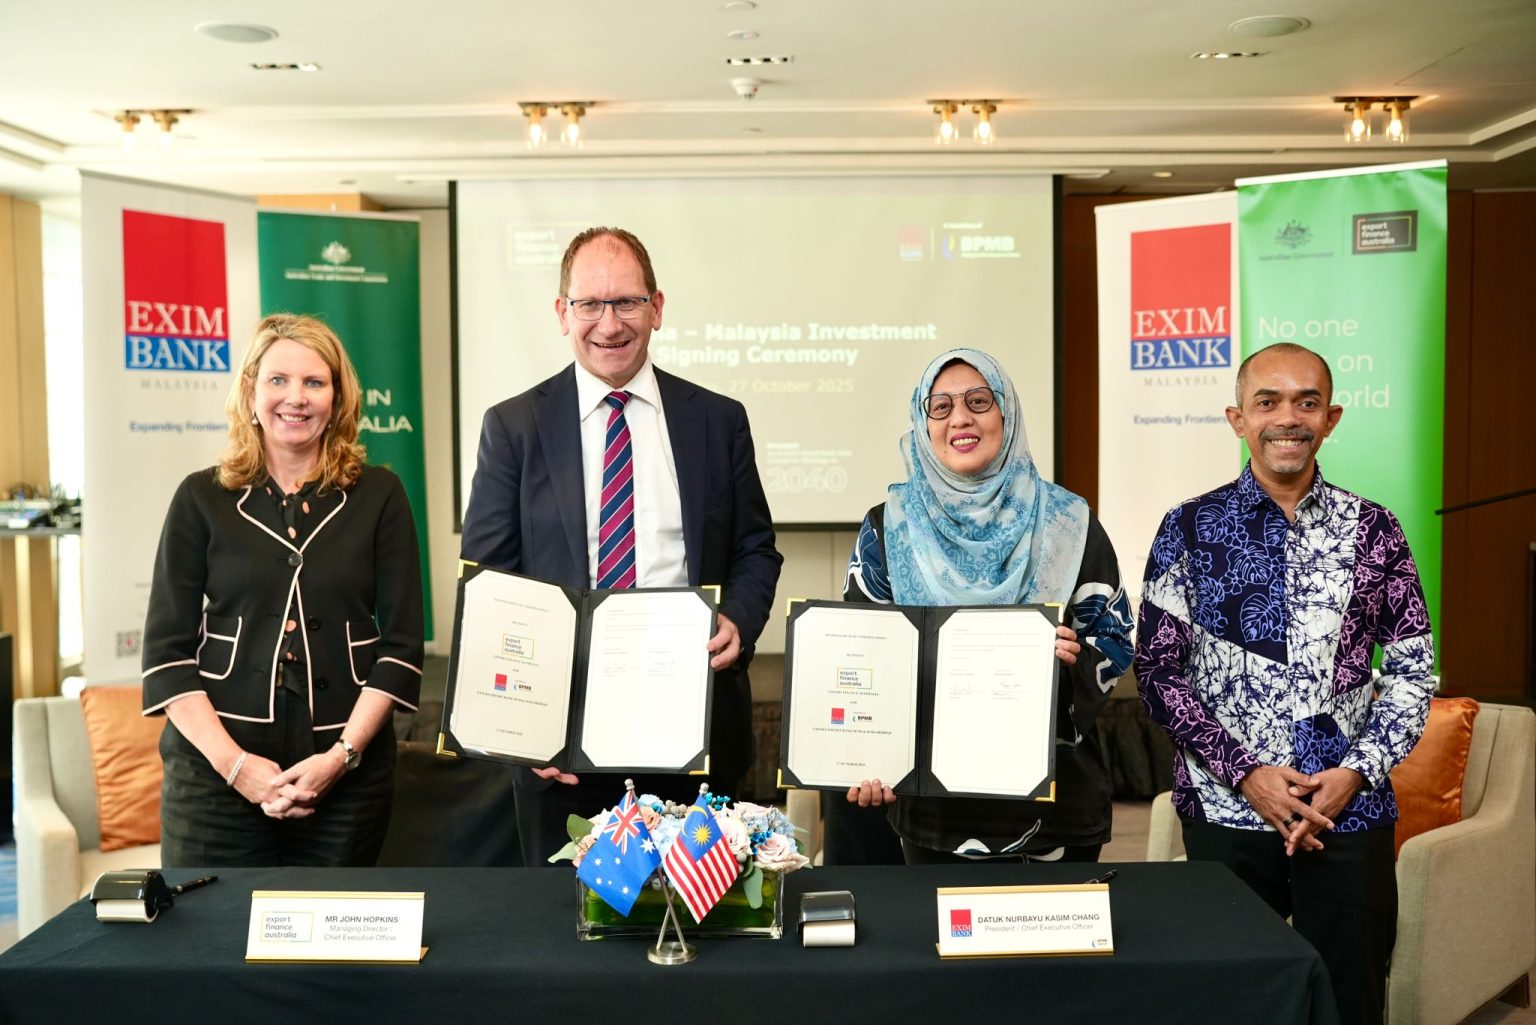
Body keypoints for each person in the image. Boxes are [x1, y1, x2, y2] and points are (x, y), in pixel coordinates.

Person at [460, 226, 782, 865]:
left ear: (657, 308)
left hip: (695, 725)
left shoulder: (718, 420)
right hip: (563, 741)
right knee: (563, 940)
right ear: (562, 314)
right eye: (590, 304)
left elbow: (755, 547)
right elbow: (491, 585)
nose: (608, 323)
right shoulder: (514, 426)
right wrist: (523, 730)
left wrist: (740, 621)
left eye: (627, 302)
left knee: (700, 926)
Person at [1134, 342, 1434, 1025]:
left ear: (1331, 418)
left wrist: (1356, 770)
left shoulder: (1377, 530)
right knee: (1230, 998)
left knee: (1350, 997)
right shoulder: (1188, 527)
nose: (1287, 418)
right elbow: (1156, 671)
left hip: (1348, 812)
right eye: (1267, 402)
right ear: (1237, 418)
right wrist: (1247, 772)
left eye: (1306, 402)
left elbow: (1415, 672)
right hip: (1228, 809)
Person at [141, 314, 424, 867]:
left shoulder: (381, 495)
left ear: (337, 399)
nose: (295, 397)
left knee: (330, 948)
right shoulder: (201, 498)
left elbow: (402, 647)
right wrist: (236, 768)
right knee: (210, 944)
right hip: (214, 781)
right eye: (278, 380)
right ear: (250, 392)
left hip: (347, 777)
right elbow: (167, 657)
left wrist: (339, 759)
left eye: (314, 383)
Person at [838, 347, 1134, 864]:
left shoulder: (1069, 522)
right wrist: (866, 754)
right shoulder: (889, 527)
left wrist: (1073, 658)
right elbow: (862, 659)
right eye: (941, 406)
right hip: (933, 810)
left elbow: (1111, 639)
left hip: (1053, 807)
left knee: (1051, 948)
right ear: (922, 420)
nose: (961, 419)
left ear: (1007, 413)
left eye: (979, 401)